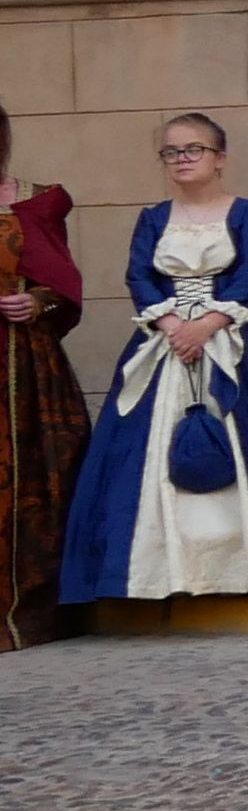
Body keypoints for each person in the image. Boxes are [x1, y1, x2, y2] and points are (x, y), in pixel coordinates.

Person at [56, 113, 248, 605]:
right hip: (167, 340)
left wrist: (208, 325)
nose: (182, 159)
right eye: (171, 152)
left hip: (238, 340)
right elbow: (139, 277)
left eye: (194, 149)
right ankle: (161, 572)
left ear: (220, 159)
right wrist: (173, 327)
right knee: (144, 451)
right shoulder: (152, 218)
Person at [0, 100, 83, 647]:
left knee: (33, 477)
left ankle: (28, 614)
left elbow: (65, 285)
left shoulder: (38, 202)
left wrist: (40, 303)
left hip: (21, 368)